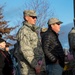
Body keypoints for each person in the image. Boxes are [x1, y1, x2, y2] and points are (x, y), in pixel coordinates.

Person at [15, 10, 46, 75]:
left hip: (37, 68)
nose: (35, 19)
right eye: (33, 17)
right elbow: (26, 50)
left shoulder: (32, 30)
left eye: (36, 17)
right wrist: (35, 65)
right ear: (26, 18)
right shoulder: (24, 31)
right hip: (30, 69)